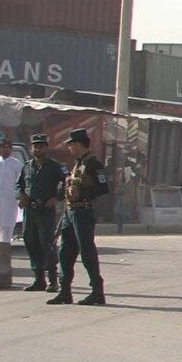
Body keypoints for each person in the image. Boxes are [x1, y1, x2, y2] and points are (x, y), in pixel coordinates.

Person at [48, 129, 109, 306]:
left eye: (71, 144)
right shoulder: (78, 163)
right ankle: (65, 291)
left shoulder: (94, 164)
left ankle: (97, 291)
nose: (69, 148)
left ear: (79, 144)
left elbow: (103, 187)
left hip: (83, 210)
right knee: (65, 251)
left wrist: (84, 192)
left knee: (87, 251)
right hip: (70, 211)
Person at [17, 134, 67, 293]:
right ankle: (38, 279)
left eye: (41, 146)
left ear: (46, 148)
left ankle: (53, 280)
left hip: (45, 210)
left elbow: (68, 181)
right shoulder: (27, 166)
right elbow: (19, 184)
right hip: (30, 210)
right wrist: (21, 195)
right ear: (31, 148)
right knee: (30, 242)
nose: (38, 149)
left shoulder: (55, 166)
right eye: (35, 146)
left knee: (47, 244)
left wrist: (57, 197)